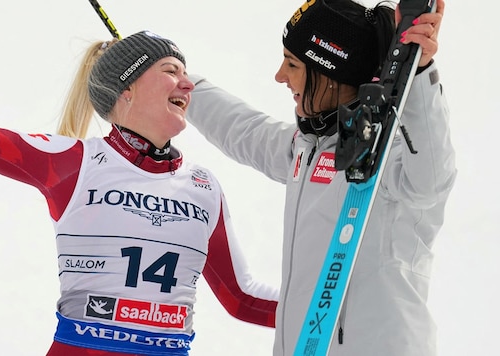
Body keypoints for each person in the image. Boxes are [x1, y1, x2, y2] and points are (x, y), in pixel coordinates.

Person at [0, 30, 278, 355]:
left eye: (186, 73)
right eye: (171, 70)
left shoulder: (204, 186)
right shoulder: (75, 162)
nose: (189, 84)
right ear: (127, 88)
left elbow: (241, 298)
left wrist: (334, 311)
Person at [183, 0, 456, 355]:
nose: (280, 76)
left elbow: (433, 179)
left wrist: (419, 74)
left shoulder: (394, 158)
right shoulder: (308, 148)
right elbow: (244, 130)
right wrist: (179, 83)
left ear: (331, 72)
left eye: (293, 63)